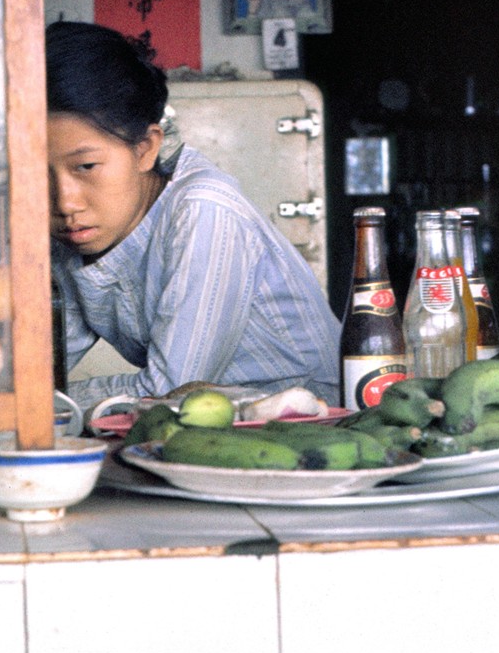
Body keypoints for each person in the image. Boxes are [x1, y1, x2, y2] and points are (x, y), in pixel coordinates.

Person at [46, 20, 341, 411]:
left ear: (145, 148)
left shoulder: (204, 209)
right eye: (34, 173)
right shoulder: (77, 233)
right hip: (207, 432)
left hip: (310, 425)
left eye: (85, 167)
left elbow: (170, 389)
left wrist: (37, 402)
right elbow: (40, 370)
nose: (65, 202)